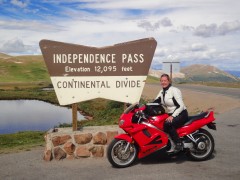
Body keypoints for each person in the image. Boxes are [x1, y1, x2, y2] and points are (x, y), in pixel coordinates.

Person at [153, 74, 188, 152]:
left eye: (165, 80)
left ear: (169, 81)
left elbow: (181, 106)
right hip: (171, 114)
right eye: (162, 81)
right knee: (160, 124)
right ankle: (170, 144)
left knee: (167, 124)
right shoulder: (162, 92)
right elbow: (155, 102)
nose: (163, 82)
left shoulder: (174, 90)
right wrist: (144, 107)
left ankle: (178, 143)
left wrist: (172, 116)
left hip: (181, 113)